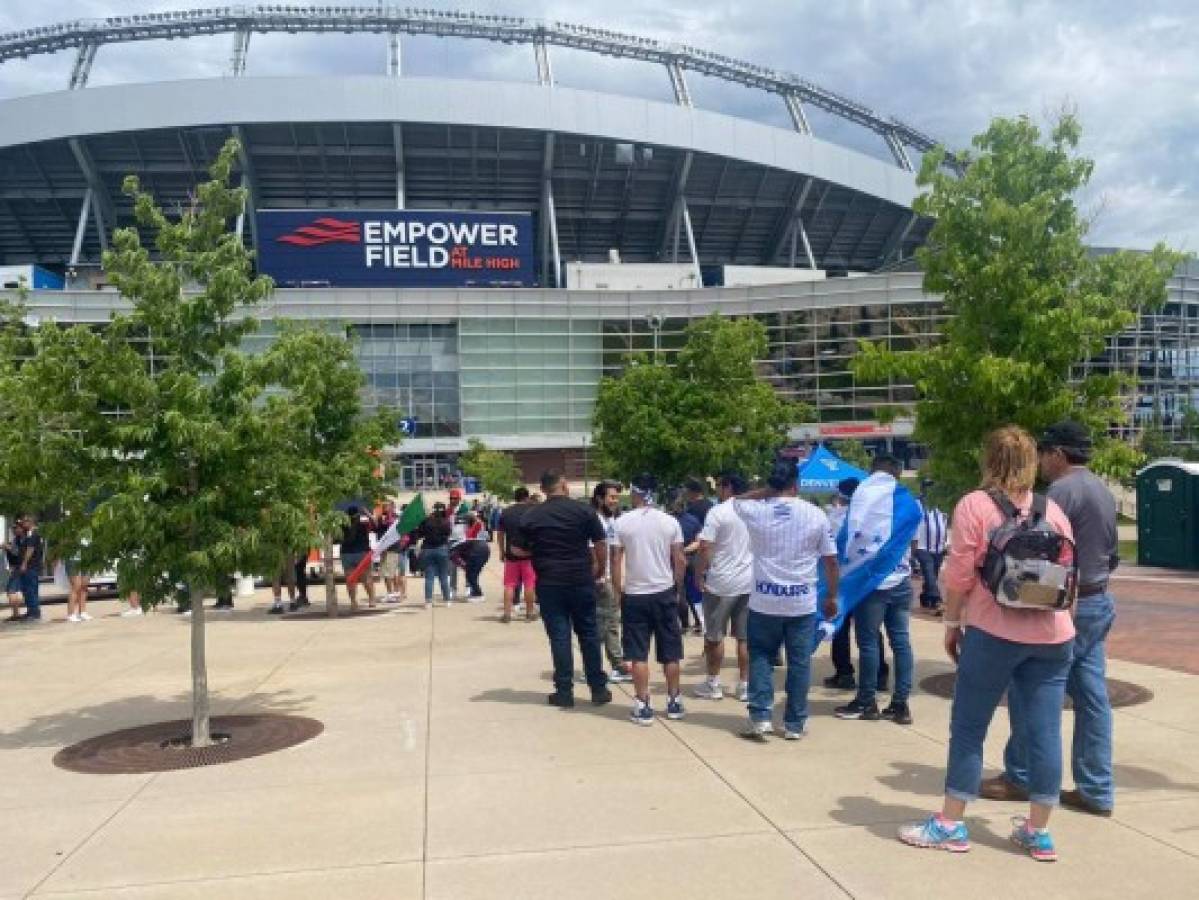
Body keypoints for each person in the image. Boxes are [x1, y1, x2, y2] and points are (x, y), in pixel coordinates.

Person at [899, 426, 1076, 861]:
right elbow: (1071, 571)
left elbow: (958, 576)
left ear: (989, 460)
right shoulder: (1052, 509)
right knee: (1045, 732)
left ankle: (951, 822)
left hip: (995, 630)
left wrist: (953, 622)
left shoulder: (974, 506)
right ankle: (1038, 832)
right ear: (1033, 462)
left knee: (969, 726)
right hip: (1053, 635)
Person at [982, 420, 1120, 817]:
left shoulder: (1058, 494)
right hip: (1099, 601)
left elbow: (1041, 555)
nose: (1040, 462)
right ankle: (1096, 787)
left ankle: (1021, 775)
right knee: (1093, 698)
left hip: (1066, 607)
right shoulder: (1102, 490)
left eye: (1044, 454)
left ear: (1058, 454)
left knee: (1032, 688)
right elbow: (1110, 554)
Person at [733, 462, 839, 741]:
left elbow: (737, 500)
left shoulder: (756, 510)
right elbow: (830, 560)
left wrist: (768, 491)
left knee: (761, 657)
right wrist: (831, 596)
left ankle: (760, 717)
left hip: (764, 600)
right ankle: (794, 722)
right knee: (800, 662)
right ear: (797, 485)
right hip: (801, 601)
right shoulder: (816, 514)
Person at [834, 454, 919, 725]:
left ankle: (867, 701)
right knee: (901, 642)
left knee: (868, 642)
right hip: (902, 581)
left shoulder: (865, 498)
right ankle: (900, 704)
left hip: (874, 583)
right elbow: (913, 544)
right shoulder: (911, 503)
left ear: (873, 472)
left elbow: (851, 537)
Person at [517, 470, 611, 709]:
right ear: (564, 485)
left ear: (543, 489)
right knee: (588, 633)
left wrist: (540, 552)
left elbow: (518, 550)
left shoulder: (532, 515)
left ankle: (564, 692)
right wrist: (599, 569)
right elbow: (600, 543)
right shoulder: (583, 511)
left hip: (550, 582)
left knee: (560, 637)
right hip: (580, 578)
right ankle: (598, 689)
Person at [611, 474, 687, 725]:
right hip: (663, 591)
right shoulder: (669, 522)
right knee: (671, 652)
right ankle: (674, 700)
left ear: (636, 493)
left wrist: (618, 590)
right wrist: (677, 588)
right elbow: (679, 559)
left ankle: (643, 703)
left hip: (635, 594)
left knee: (638, 654)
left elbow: (616, 562)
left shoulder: (622, 522)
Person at [693, 472, 754, 703]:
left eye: (718, 485)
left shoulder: (718, 511)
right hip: (748, 580)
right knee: (744, 638)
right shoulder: (753, 510)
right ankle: (745, 684)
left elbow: (705, 546)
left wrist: (699, 574)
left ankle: (713, 682)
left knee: (714, 636)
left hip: (721, 581)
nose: (717, 489)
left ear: (727, 486)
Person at [826, 477, 890, 691]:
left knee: (840, 627)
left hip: (843, 581)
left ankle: (844, 673)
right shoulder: (873, 518)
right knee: (871, 630)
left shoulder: (835, 518)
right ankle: (880, 674)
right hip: (865, 581)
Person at [591, 480, 631, 684]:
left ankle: (603, 664)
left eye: (617, 497)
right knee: (608, 623)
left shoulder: (611, 519)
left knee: (607, 623)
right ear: (600, 498)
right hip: (601, 579)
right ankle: (615, 665)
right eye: (611, 497)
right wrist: (598, 577)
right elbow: (591, 551)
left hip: (609, 578)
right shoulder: (595, 520)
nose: (615, 501)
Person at [497, 487, 537, 623]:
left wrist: (502, 551)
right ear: (526, 497)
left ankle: (507, 614)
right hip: (529, 555)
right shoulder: (532, 511)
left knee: (509, 584)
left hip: (511, 554)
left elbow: (500, 533)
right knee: (529, 583)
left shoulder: (506, 512)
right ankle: (530, 612)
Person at [669, 491, 704, 635]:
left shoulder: (669, 521)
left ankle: (684, 624)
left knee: (680, 591)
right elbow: (699, 541)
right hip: (692, 558)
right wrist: (686, 549)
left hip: (677, 559)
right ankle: (700, 622)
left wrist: (680, 551)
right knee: (695, 592)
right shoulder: (693, 520)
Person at [339, 505, 378, 611]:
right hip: (362, 553)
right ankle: (372, 600)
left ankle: (353, 602)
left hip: (347, 553)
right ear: (358, 515)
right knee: (367, 578)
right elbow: (376, 526)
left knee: (350, 579)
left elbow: (336, 538)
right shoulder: (363, 525)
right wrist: (368, 514)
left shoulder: (342, 526)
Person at [915, 490, 949, 610]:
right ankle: (937, 599)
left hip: (938, 549)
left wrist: (945, 545)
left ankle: (925, 597)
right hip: (923, 548)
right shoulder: (921, 510)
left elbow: (944, 530)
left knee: (932, 576)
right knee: (930, 574)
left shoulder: (942, 514)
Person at [416, 504, 453, 607]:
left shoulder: (426, 521)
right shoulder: (446, 522)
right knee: (444, 576)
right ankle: (447, 600)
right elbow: (448, 534)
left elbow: (420, 533)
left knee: (429, 577)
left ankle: (428, 601)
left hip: (428, 549)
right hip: (442, 549)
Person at [14, 515, 44, 622]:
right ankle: (31, 611)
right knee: (28, 589)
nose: (23, 523)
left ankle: (34, 612)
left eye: (25, 521)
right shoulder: (31, 533)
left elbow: (30, 549)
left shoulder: (32, 534)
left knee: (30, 589)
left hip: (31, 566)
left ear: (31, 522)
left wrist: (24, 563)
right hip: (31, 566)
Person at [378, 500, 407, 603]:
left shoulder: (392, 518)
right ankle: (396, 592)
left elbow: (390, 534)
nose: (384, 508)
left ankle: (393, 593)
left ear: (392, 507)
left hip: (392, 549)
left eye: (386, 506)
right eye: (383, 506)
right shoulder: (385, 518)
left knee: (389, 573)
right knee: (392, 573)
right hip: (393, 548)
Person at [3, 520, 26, 621]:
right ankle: (16, 613)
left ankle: (16, 614)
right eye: (14, 528)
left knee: (11, 591)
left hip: (17, 568)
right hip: (15, 567)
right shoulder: (17, 539)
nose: (15, 530)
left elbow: (18, 553)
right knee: (13, 591)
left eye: (17, 528)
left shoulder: (22, 539)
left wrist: (7, 547)